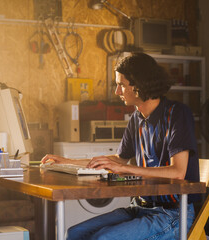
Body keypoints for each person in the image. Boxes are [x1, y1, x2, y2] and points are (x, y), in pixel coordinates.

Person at [41, 52, 200, 240]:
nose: (117, 92)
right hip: (139, 208)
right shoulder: (136, 118)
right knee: (74, 233)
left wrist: (123, 168)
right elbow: (118, 160)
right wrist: (66, 161)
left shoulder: (177, 114)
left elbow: (178, 172)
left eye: (121, 85)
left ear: (139, 85)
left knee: (103, 238)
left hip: (173, 214)